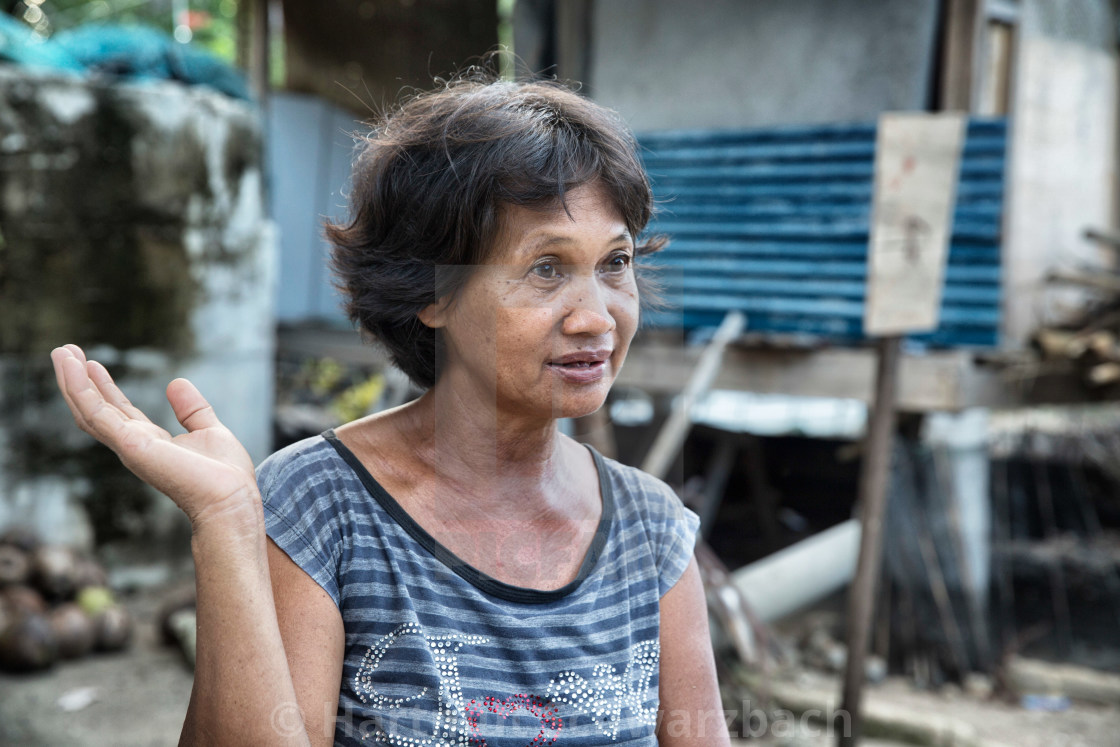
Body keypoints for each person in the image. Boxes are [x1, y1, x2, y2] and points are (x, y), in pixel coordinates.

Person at [50, 75, 728, 746]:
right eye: (546, 268)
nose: (596, 317)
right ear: (430, 291)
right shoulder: (322, 506)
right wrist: (226, 523)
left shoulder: (651, 531)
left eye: (615, 263)